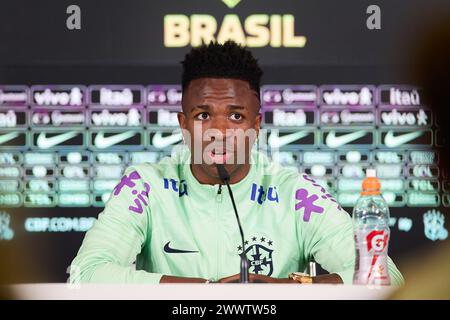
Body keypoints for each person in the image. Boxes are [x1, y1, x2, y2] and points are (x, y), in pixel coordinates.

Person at [70, 41, 403, 284]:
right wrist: (207, 295)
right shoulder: (146, 185)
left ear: (256, 126)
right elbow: (86, 273)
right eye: (203, 115)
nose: (219, 131)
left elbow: (385, 276)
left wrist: (287, 291)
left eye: (235, 115)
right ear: (183, 125)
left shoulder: (294, 192)